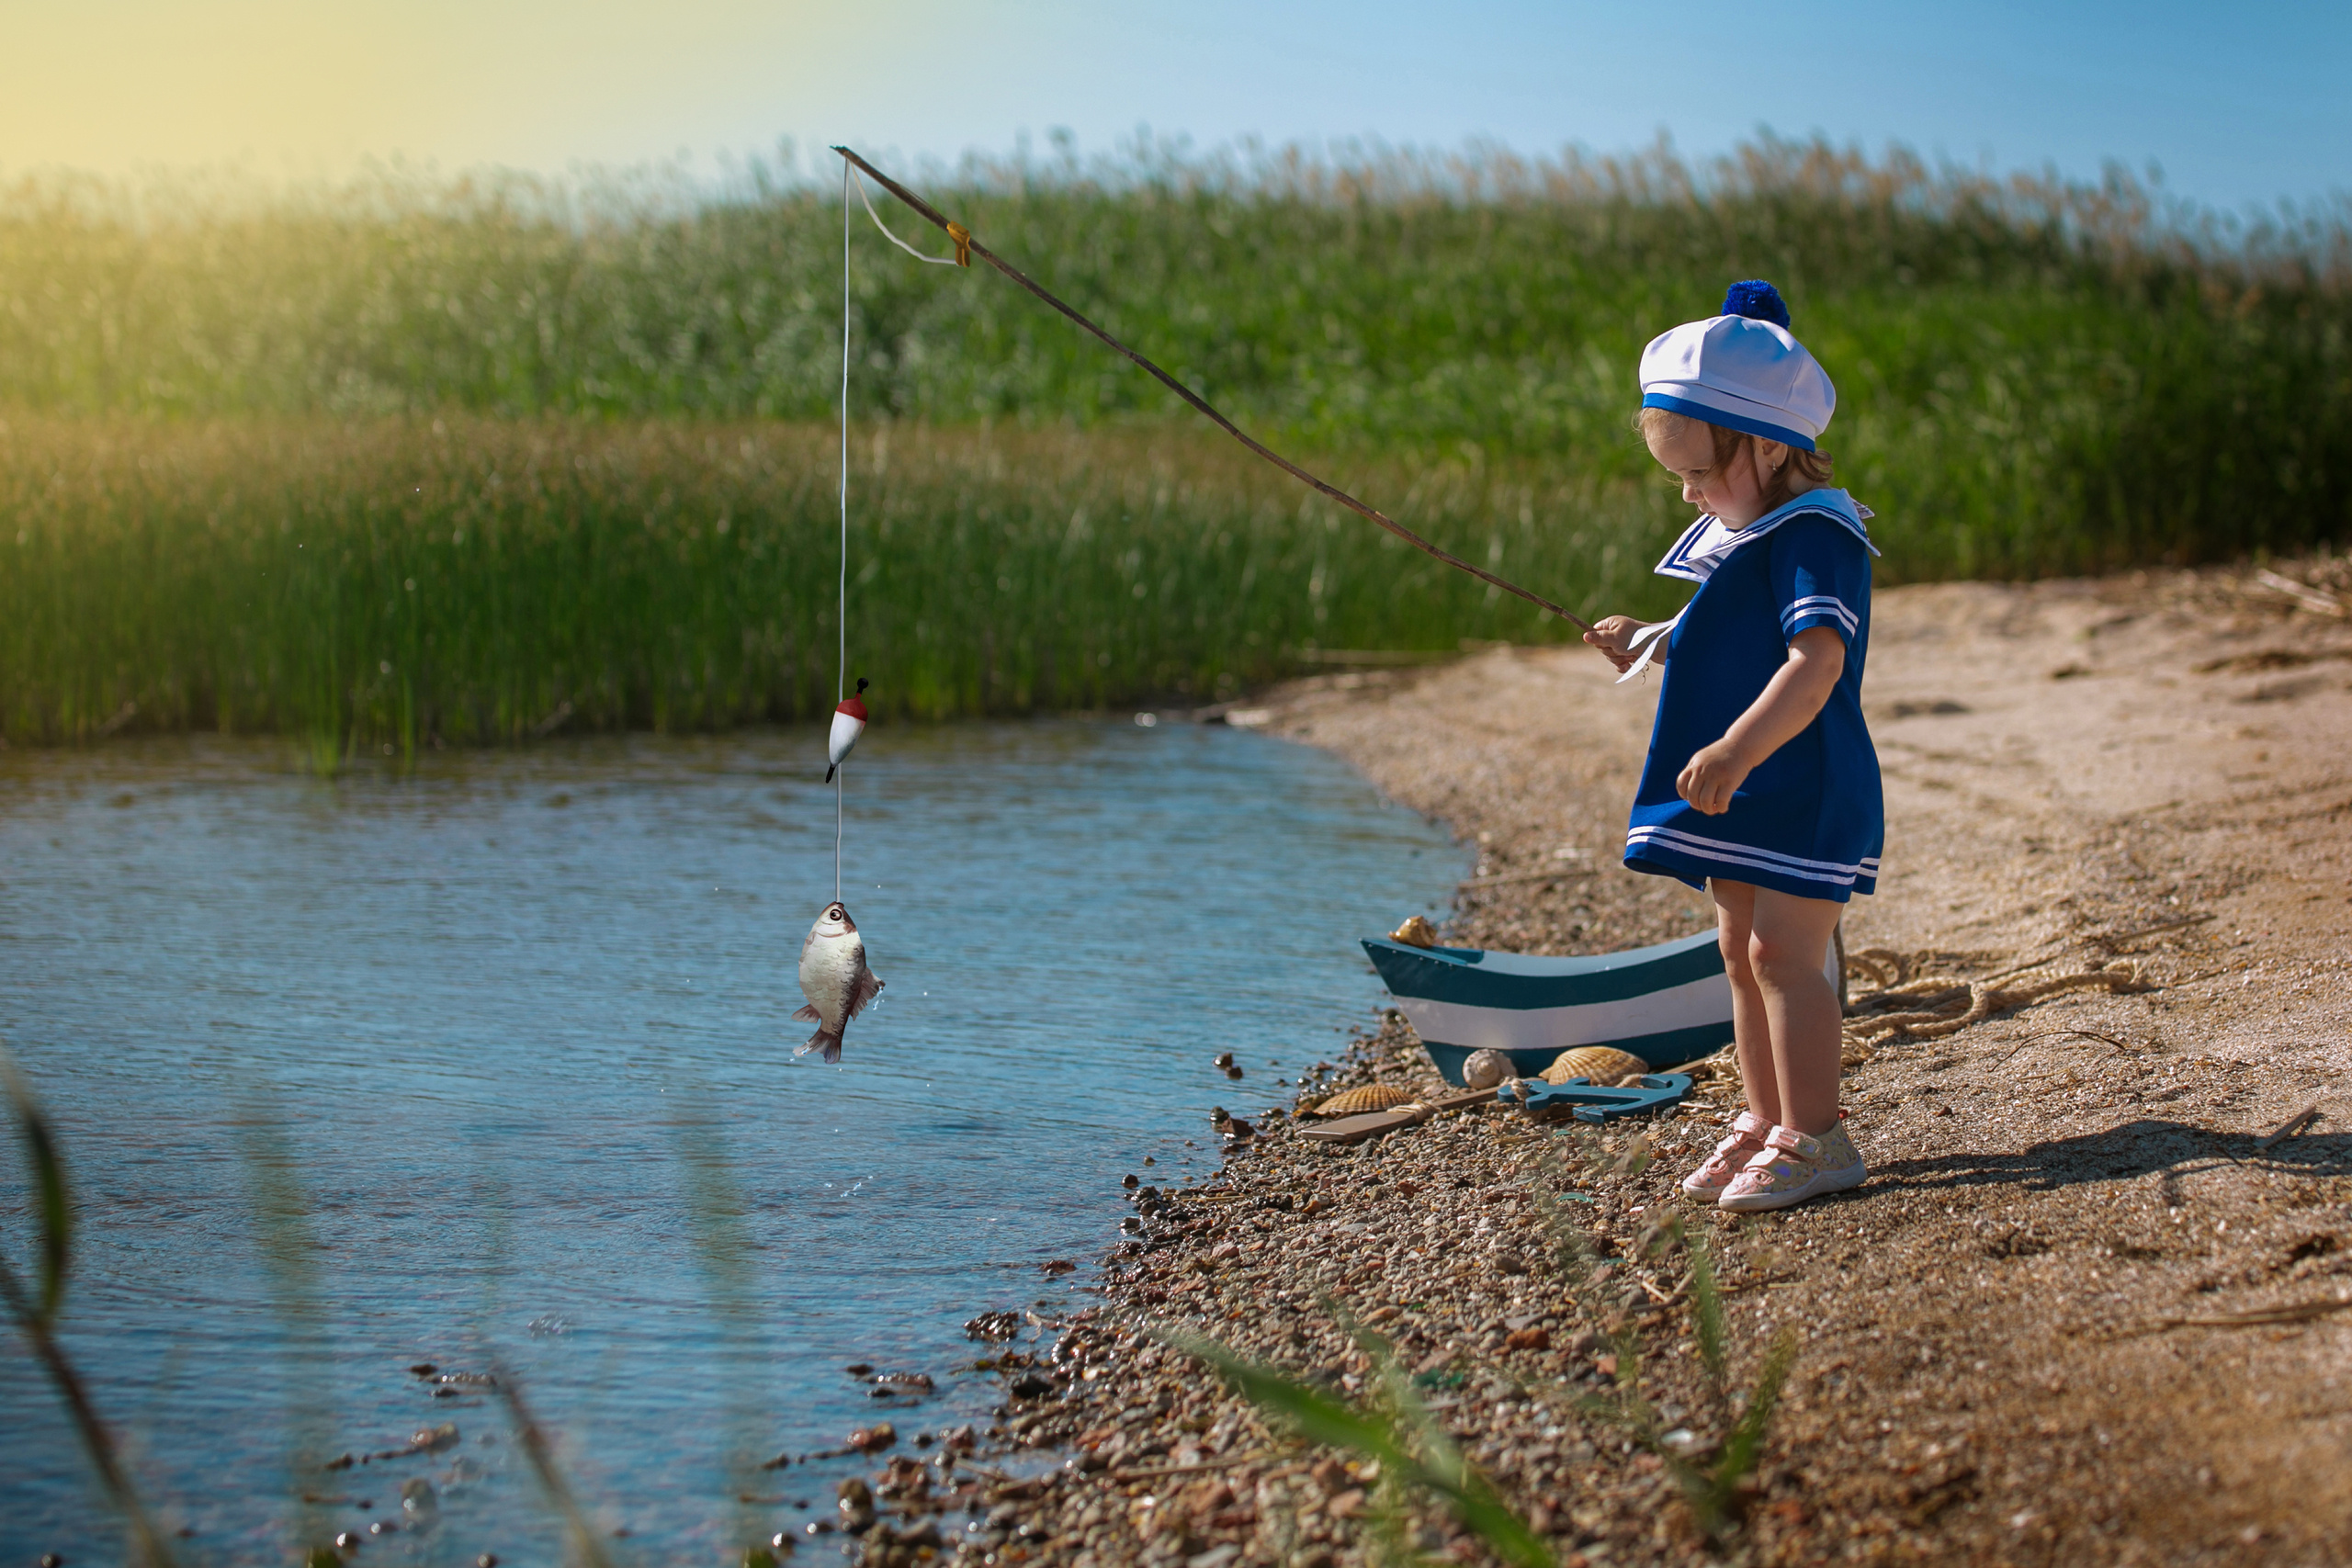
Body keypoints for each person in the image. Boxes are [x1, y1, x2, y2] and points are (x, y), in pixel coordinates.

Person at [1583, 280, 1882, 1213]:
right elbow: (1723, 628)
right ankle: (1763, 1117)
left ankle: (1818, 1136)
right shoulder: (1750, 528)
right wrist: (1647, 637)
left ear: (1766, 444)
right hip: (1749, 782)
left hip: (1798, 781)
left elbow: (1813, 664)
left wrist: (1735, 750)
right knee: (1738, 950)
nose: (1688, 492)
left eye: (1699, 473)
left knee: (1785, 958)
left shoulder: (1815, 539)